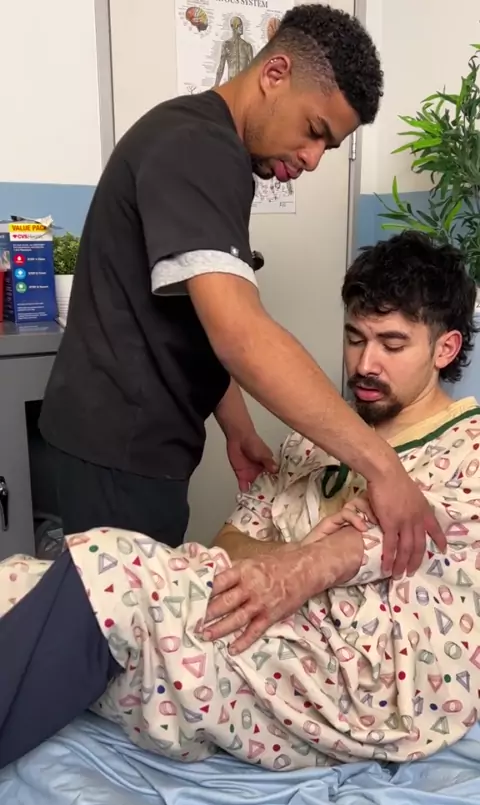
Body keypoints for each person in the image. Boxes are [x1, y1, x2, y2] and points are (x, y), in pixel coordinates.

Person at [0, 232, 477, 771]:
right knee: (22, 580)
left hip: (338, 675)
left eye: (391, 345)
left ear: (444, 349)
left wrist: (313, 564)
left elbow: (427, 558)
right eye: (354, 338)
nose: (366, 363)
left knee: (112, 571)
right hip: (250, 623)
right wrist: (291, 558)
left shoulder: (468, 449)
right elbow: (229, 541)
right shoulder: (318, 440)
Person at [39, 4, 443, 573]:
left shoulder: (200, 143)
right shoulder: (200, 147)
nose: (311, 159)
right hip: (118, 451)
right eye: (313, 131)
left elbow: (195, 313)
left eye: (328, 148)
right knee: (125, 615)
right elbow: (242, 334)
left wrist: (238, 428)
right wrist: (384, 467)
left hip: (127, 442)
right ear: (274, 74)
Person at [215, 16, 255, 85]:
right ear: (233, 27)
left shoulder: (247, 46)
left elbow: (253, 69)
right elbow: (221, 67)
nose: (241, 27)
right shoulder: (227, 45)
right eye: (239, 25)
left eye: (241, 25)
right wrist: (216, 85)